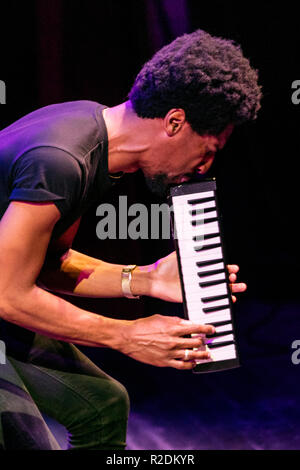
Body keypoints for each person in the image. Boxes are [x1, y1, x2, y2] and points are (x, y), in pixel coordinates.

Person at [0, 29, 261, 450]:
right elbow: (8, 294)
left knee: (103, 405)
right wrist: (128, 335)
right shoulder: (62, 159)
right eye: (208, 150)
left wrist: (146, 278)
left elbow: (48, 265)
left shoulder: (96, 143)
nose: (205, 166)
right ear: (175, 122)